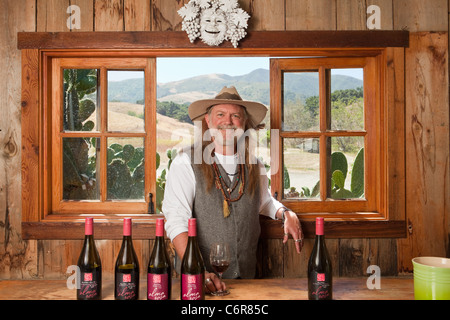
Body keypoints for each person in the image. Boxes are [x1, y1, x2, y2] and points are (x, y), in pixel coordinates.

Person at [163, 86, 304, 294]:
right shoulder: (185, 162)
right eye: (220, 114)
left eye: (235, 115)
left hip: (248, 280)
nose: (228, 121)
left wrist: (285, 213)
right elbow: (176, 221)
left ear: (244, 124)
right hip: (201, 285)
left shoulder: (255, 166)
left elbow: (263, 201)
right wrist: (199, 272)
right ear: (208, 121)